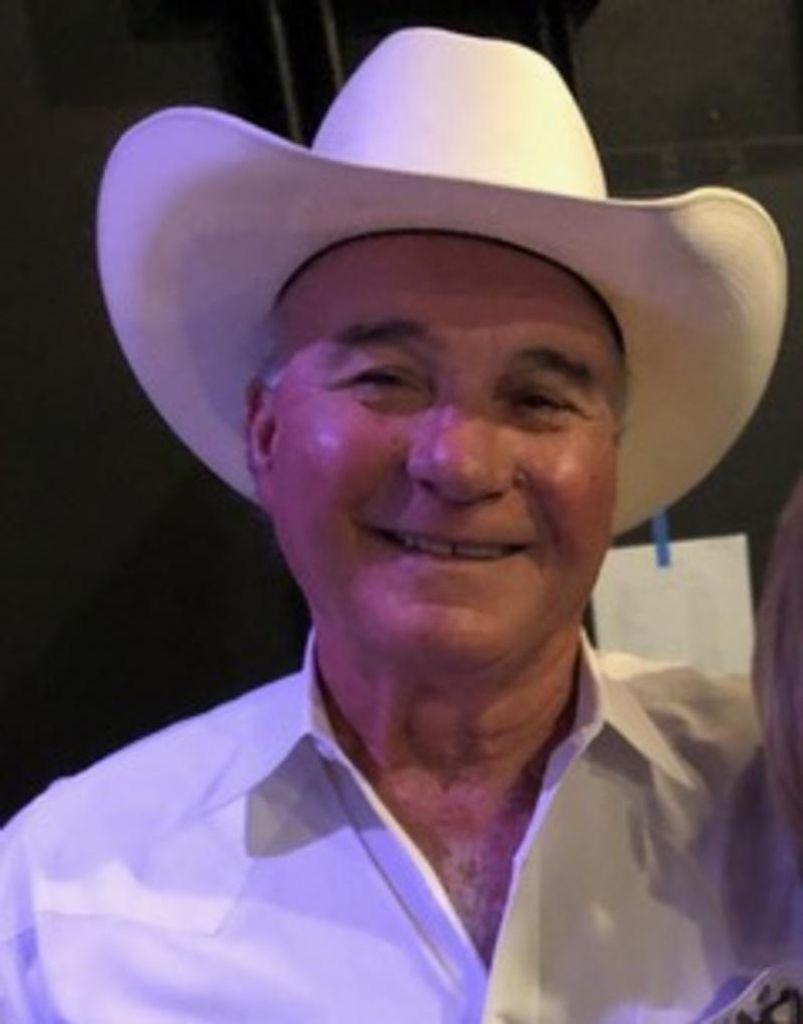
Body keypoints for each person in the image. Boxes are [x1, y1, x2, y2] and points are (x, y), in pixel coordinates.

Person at [0, 25, 800, 1024]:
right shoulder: (58, 907)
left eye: (538, 399)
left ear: (610, 458)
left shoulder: (780, 796)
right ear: (265, 433)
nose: (459, 463)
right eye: (385, 379)